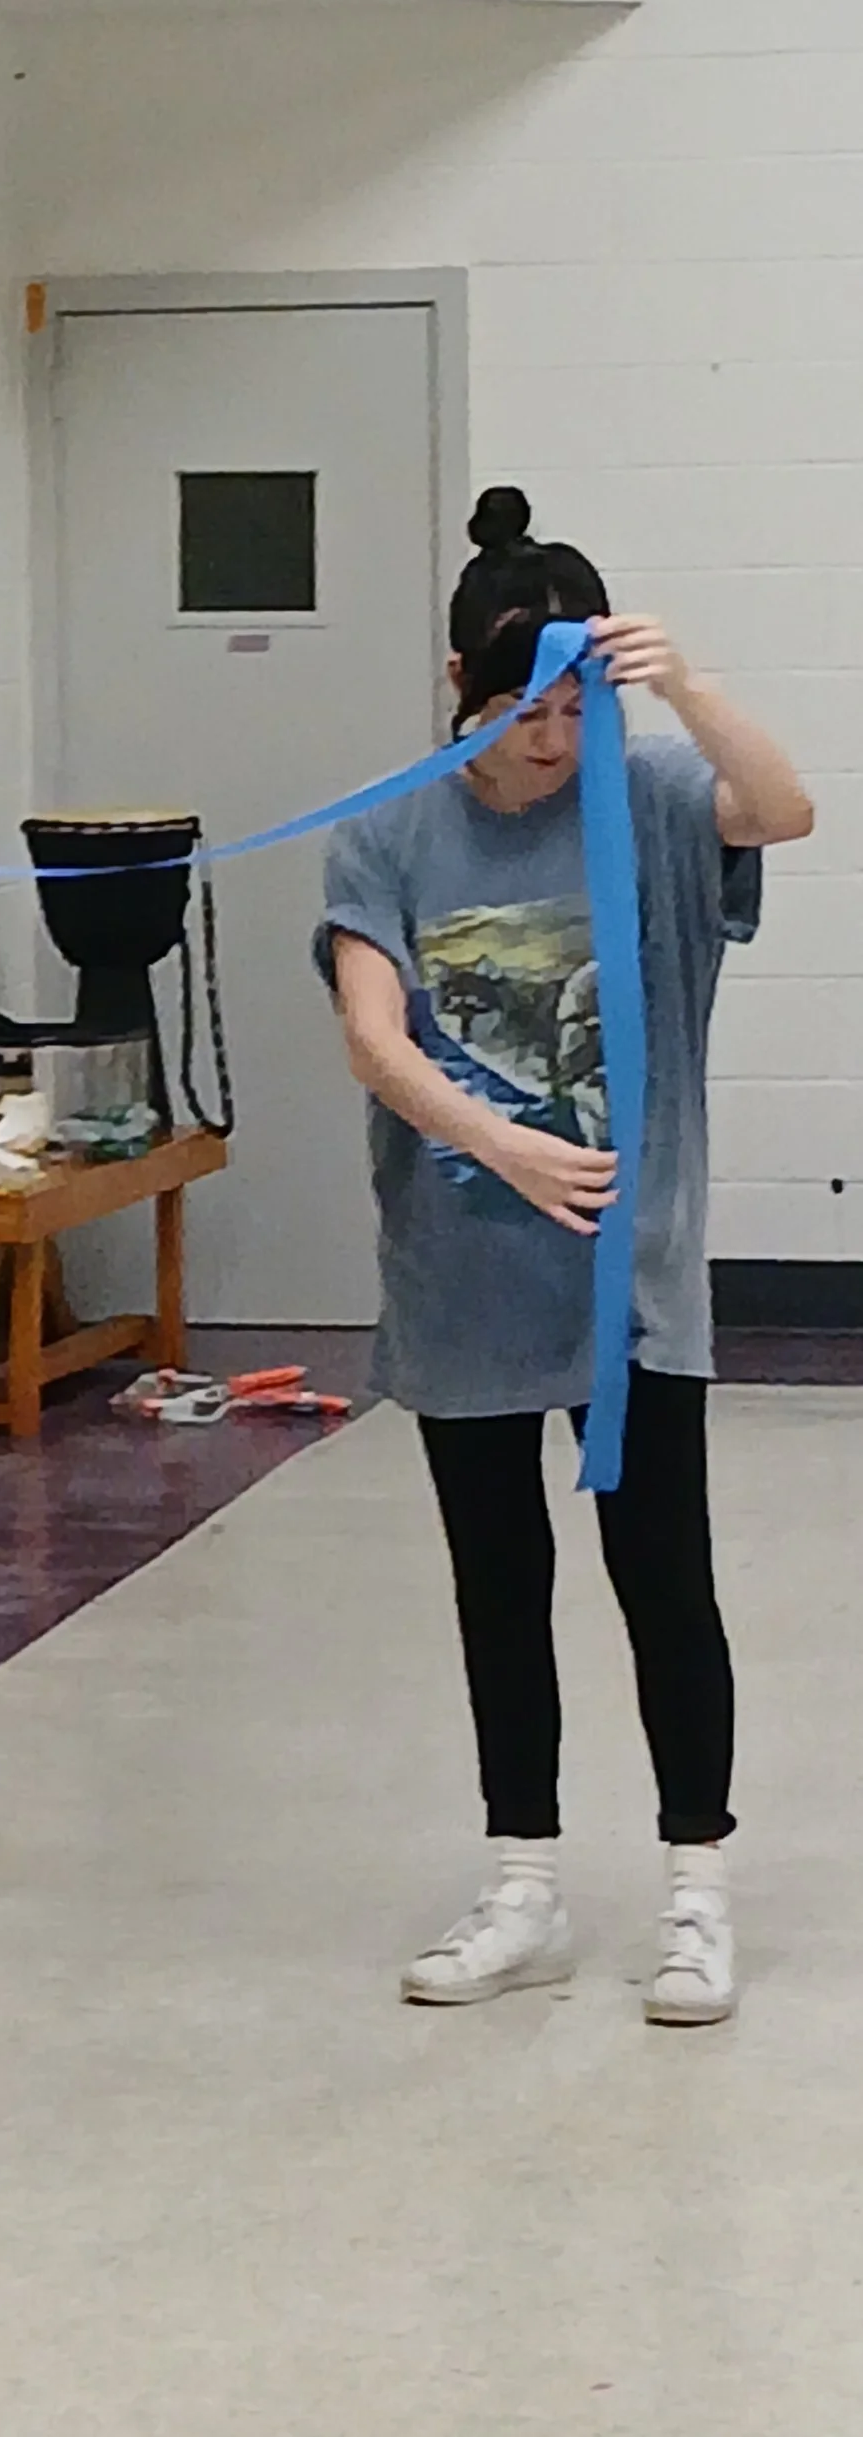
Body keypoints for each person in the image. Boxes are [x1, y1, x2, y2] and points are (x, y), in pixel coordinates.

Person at [318, 487, 812, 2027]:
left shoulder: (655, 795)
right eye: (524, 702)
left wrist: (687, 686)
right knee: (497, 1583)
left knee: (665, 1578)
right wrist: (502, 1141)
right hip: (465, 1275)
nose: (553, 735)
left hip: (630, 1281)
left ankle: (694, 1888)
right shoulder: (389, 827)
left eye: (578, 699)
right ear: (459, 684)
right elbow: (371, 1037)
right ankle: (522, 1877)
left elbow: (785, 811)